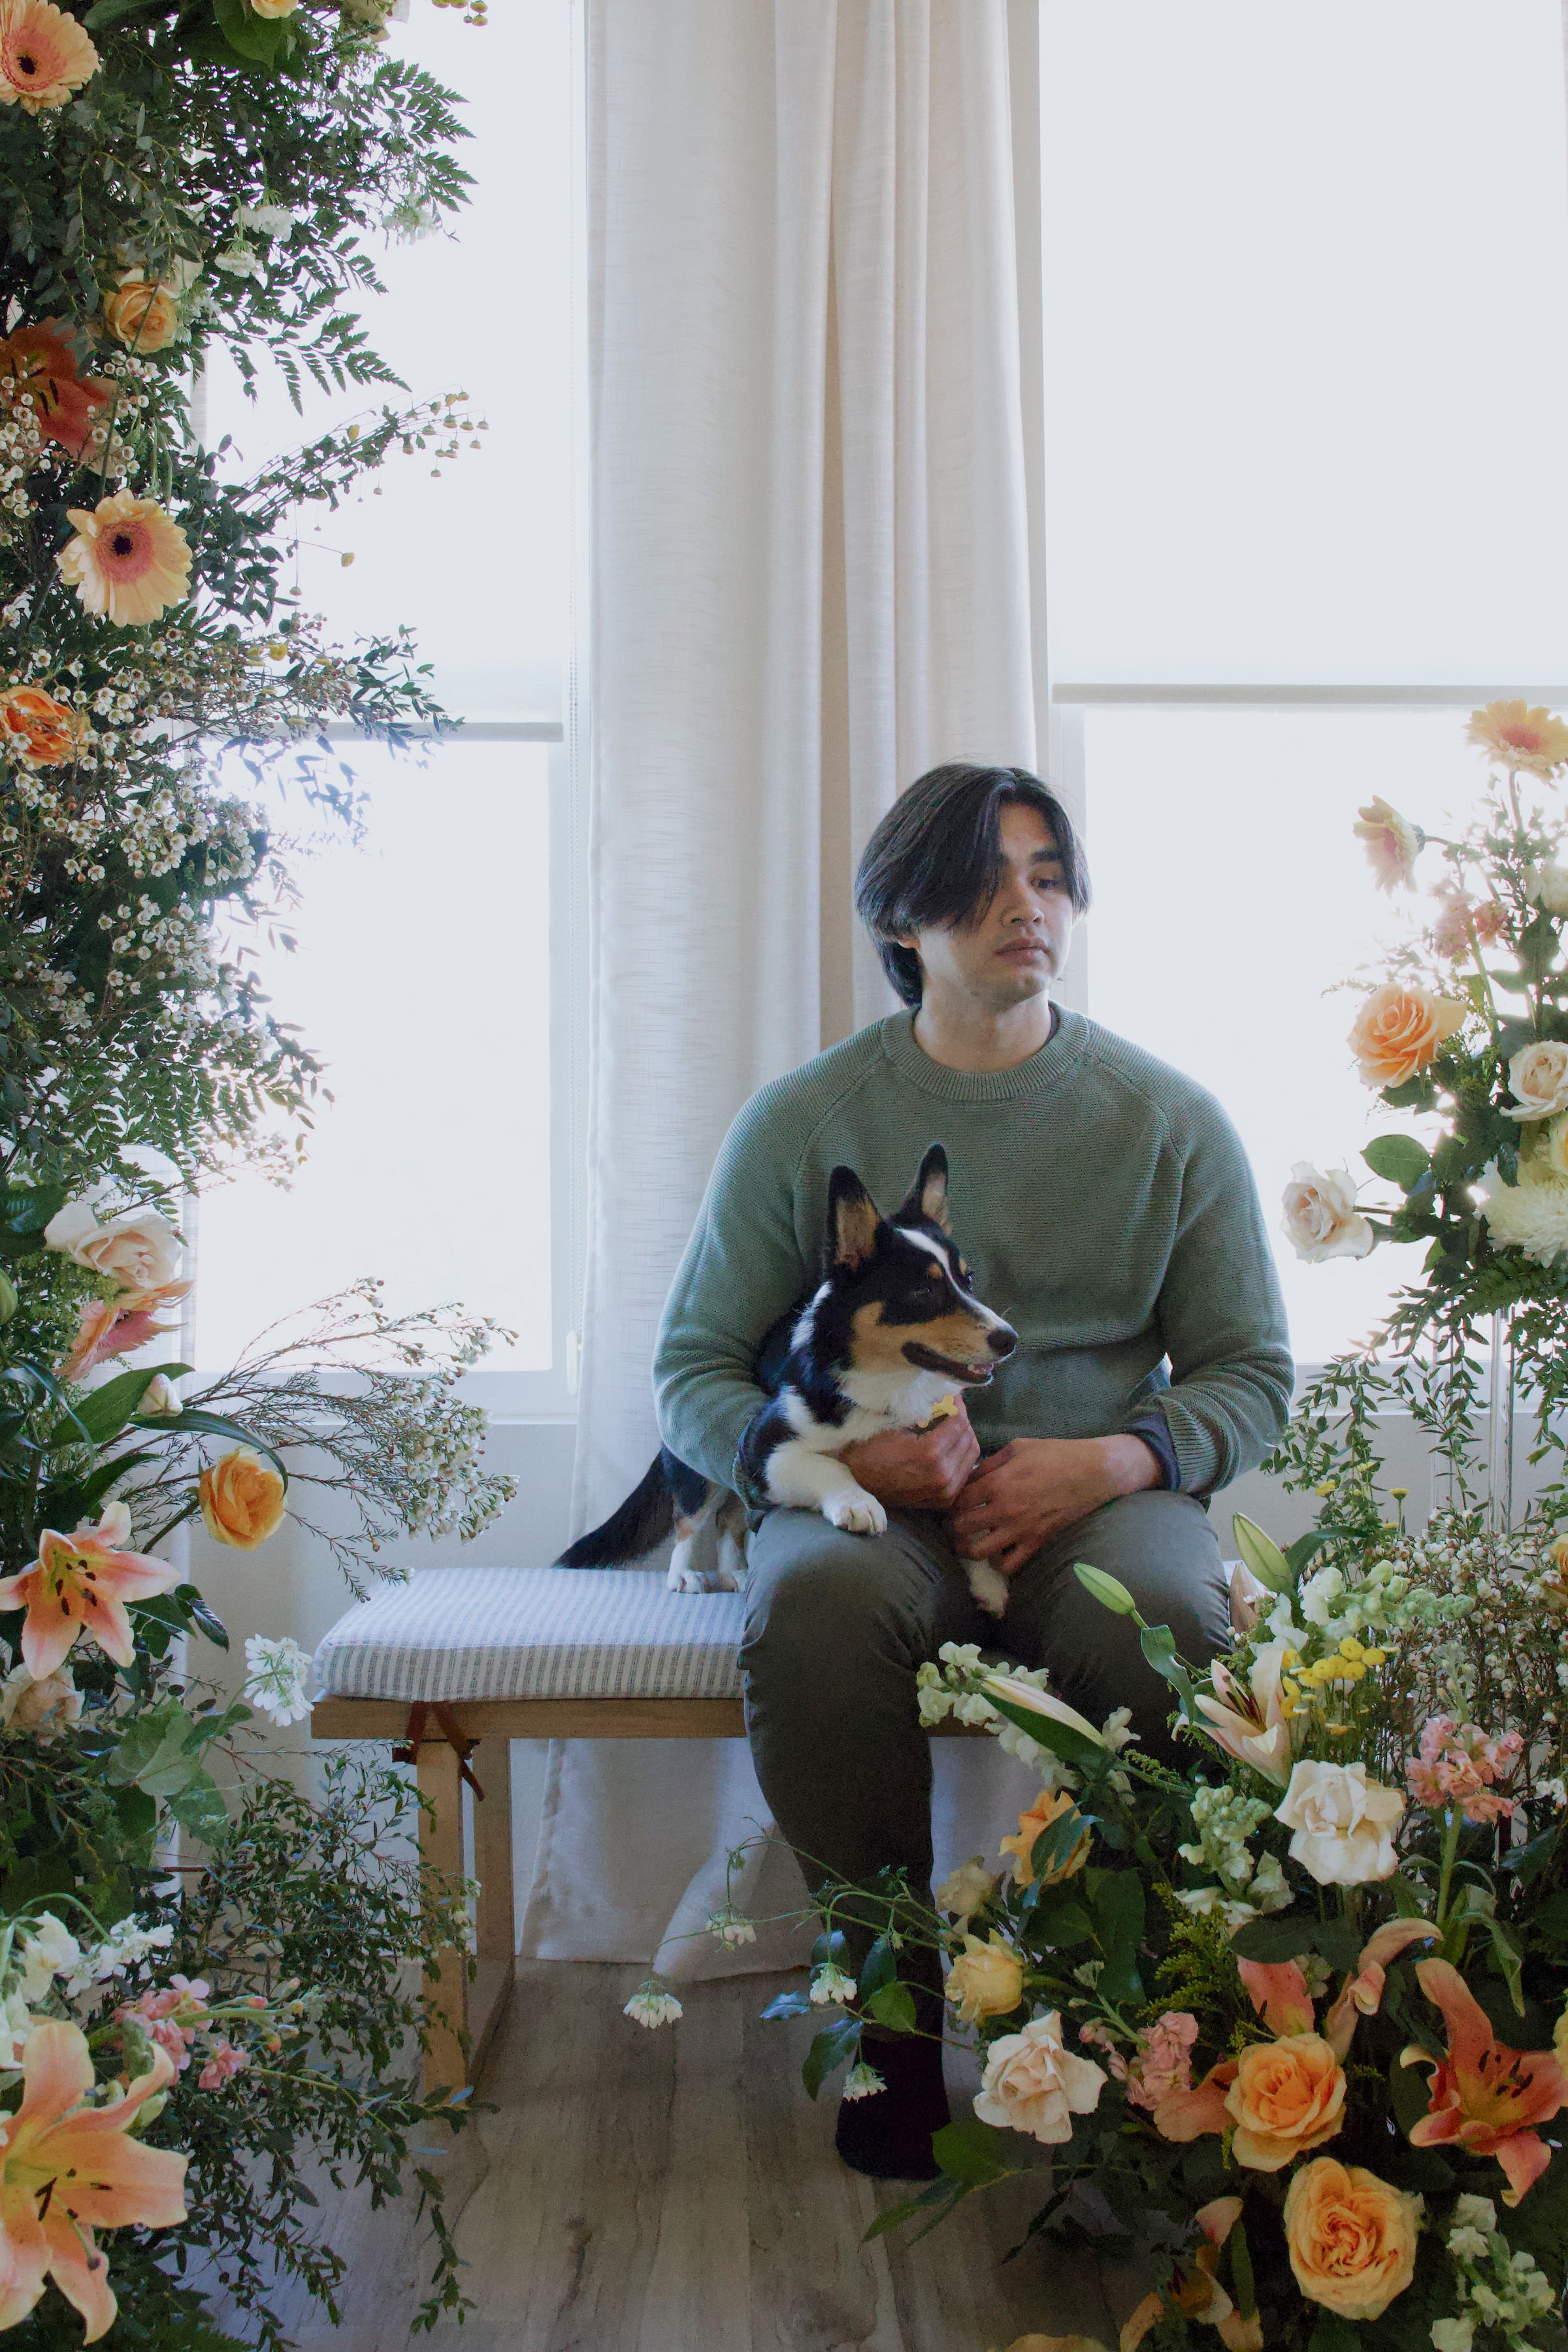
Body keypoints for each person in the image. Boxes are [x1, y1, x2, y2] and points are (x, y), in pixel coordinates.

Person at [652, 762, 1292, 2179]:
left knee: (1181, 1626)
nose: (1030, 905)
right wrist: (848, 1461)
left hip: (1099, 1507)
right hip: (875, 1506)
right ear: (902, 914)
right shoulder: (800, 1124)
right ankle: (892, 2016)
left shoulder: (1167, 1124)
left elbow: (1256, 1376)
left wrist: (1116, 1456)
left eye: (1050, 874)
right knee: (809, 1612)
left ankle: (1145, 2023)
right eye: (992, 878)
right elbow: (692, 1372)